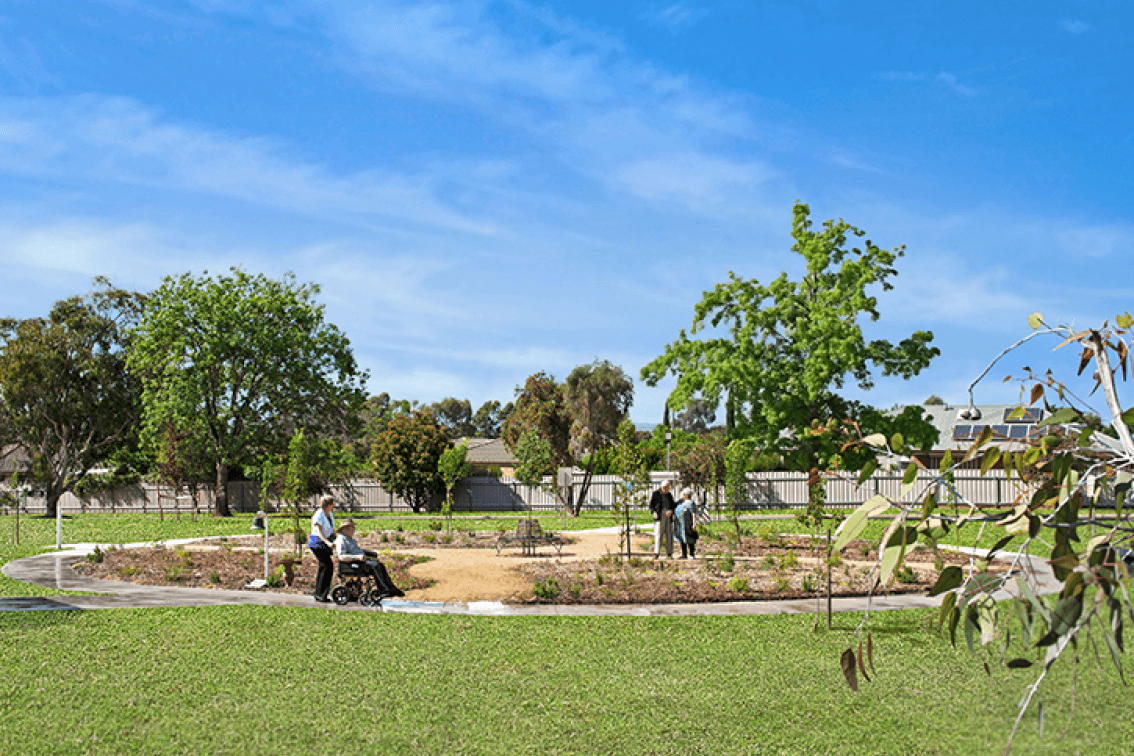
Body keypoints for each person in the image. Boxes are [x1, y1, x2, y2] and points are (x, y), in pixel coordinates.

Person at [335, 519, 405, 598]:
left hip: (358, 562)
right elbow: (341, 556)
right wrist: (357, 557)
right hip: (350, 564)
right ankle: (383, 589)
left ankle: (391, 589)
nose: (354, 530)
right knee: (374, 566)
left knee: (380, 565)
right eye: (353, 528)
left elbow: (358, 550)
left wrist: (371, 553)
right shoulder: (341, 540)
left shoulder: (350, 539)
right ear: (346, 528)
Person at [308, 494, 336, 602]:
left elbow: (331, 529)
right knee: (326, 566)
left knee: (325, 566)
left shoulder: (330, 513)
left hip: (325, 542)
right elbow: (318, 531)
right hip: (317, 543)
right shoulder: (319, 514)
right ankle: (321, 594)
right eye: (333, 503)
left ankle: (320, 594)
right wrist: (327, 542)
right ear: (328, 504)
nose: (334, 505)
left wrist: (336, 538)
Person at [648, 481, 676, 558]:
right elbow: (651, 505)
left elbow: (673, 505)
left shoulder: (669, 495)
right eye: (667, 487)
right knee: (658, 535)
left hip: (668, 517)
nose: (668, 489)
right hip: (659, 516)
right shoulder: (656, 494)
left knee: (669, 535)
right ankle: (656, 553)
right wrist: (654, 512)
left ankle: (669, 553)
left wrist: (671, 511)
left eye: (669, 487)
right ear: (663, 487)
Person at [674, 488, 699, 559]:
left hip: (688, 525)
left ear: (686, 495)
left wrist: (694, 524)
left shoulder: (691, 503)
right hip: (681, 525)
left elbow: (694, 514)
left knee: (690, 539)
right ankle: (684, 554)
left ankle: (691, 554)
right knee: (682, 539)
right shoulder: (680, 502)